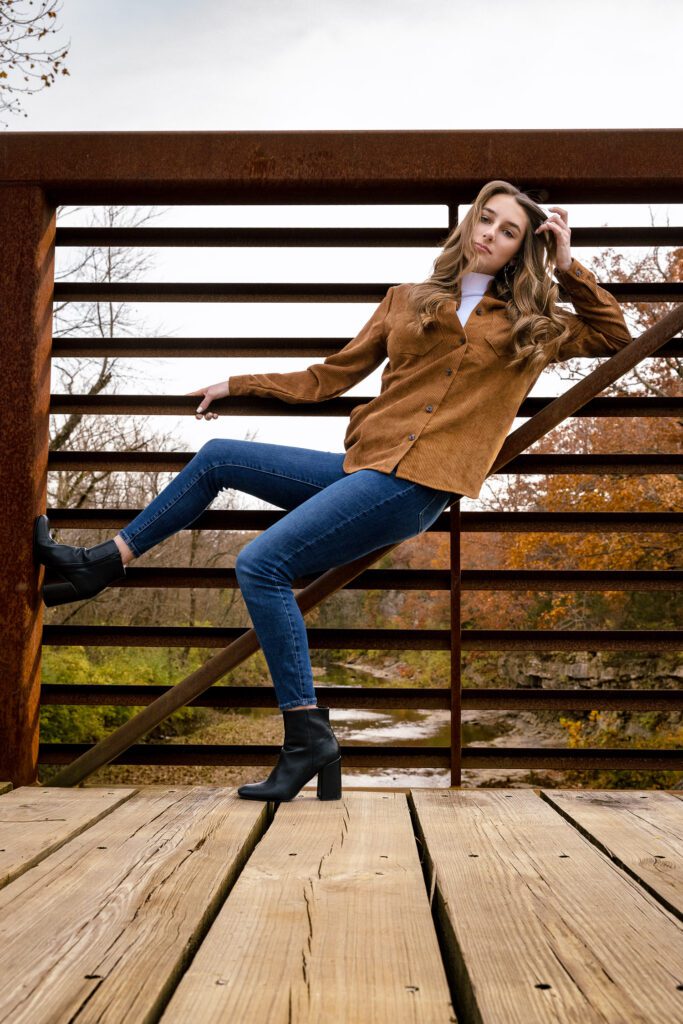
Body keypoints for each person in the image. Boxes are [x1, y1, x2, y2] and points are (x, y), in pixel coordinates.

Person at [34, 179, 633, 802]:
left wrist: (568, 265)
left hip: (416, 485)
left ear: (518, 250)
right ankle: (102, 564)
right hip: (362, 467)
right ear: (468, 224)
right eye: (486, 219)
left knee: (261, 564)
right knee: (217, 458)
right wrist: (240, 383)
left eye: (509, 231)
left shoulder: (531, 325)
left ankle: (306, 736)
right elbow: (332, 375)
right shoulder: (407, 299)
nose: (490, 234)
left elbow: (616, 335)